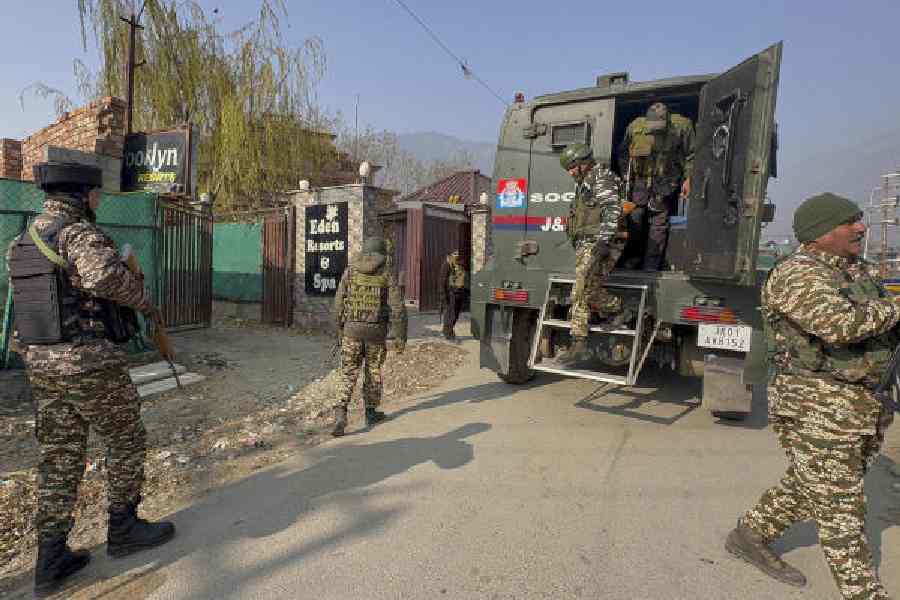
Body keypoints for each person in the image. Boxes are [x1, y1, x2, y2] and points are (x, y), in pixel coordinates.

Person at [5, 162, 175, 597]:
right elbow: (101, 275)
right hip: (88, 363)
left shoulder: (21, 242)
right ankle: (123, 528)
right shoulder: (78, 232)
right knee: (126, 440)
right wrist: (144, 299)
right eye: (96, 195)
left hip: (41, 365)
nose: (98, 201)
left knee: (60, 454)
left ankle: (51, 555)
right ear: (82, 195)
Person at [726, 193, 896, 599]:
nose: (861, 227)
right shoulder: (797, 273)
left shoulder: (854, 270)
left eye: (859, 219)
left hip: (862, 402)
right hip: (816, 403)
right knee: (841, 508)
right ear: (820, 234)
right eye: (849, 222)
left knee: (815, 482)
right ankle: (863, 592)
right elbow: (840, 325)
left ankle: (749, 534)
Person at [556, 143, 627, 365]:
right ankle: (583, 338)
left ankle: (581, 340)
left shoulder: (602, 178)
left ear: (582, 163)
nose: (569, 173)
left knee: (583, 289)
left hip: (602, 242)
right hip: (587, 243)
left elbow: (612, 210)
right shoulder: (584, 183)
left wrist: (604, 242)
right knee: (584, 290)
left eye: (571, 167)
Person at [332, 236, 408, 437]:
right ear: (382, 253)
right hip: (376, 333)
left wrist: (339, 331)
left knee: (347, 372)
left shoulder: (350, 271)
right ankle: (371, 413)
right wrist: (400, 338)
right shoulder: (386, 273)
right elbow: (398, 308)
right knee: (373, 371)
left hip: (351, 331)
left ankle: (341, 413)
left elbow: (338, 304)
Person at [617, 102, 695, 270]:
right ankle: (632, 258)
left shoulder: (682, 127)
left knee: (658, 227)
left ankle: (650, 267)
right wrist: (625, 175)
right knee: (634, 221)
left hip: (665, 183)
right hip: (640, 182)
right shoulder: (635, 127)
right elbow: (622, 152)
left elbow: (691, 155)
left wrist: (689, 178)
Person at [439, 250, 467, 341]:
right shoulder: (446, 265)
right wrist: (443, 294)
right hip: (451, 293)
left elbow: (462, 279)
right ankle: (448, 333)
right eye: (455, 254)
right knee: (451, 314)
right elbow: (442, 281)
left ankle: (448, 331)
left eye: (457, 254)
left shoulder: (458, 265)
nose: (457, 255)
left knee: (455, 314)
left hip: (459, 292)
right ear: (450, 255)